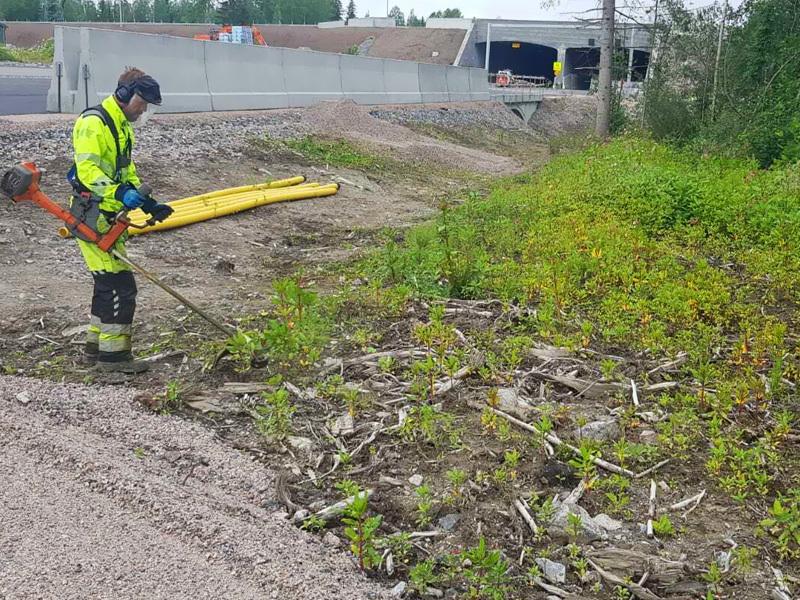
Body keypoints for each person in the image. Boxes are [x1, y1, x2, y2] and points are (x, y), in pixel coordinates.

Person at [68, 67, 173, 373]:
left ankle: (94, 349)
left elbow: (126, 172)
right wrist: (121, 193)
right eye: (142, 102)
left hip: (109, 216)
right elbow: (88, 173)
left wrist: (149, 203)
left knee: (106, 283)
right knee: (120, 287)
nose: (144, 110)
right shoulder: (93, 123)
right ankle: (113, 360)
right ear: (125, 94)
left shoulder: (122, 126)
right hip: (91, 214)